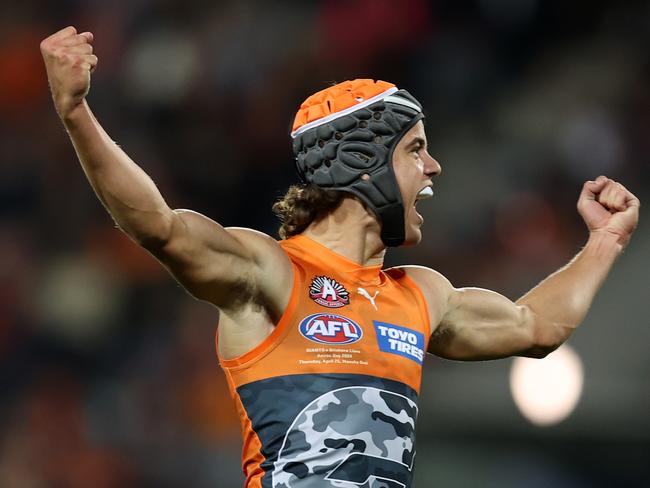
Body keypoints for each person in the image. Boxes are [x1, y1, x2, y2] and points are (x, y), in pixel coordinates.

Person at [41, 26, 639, 488]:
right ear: (364, 161)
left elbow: (536, 327)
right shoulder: (271, 273)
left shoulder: (422, 294)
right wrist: (76, 114)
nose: (433, 169)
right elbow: (158, 227)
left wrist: (604, 242)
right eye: (416, 150)